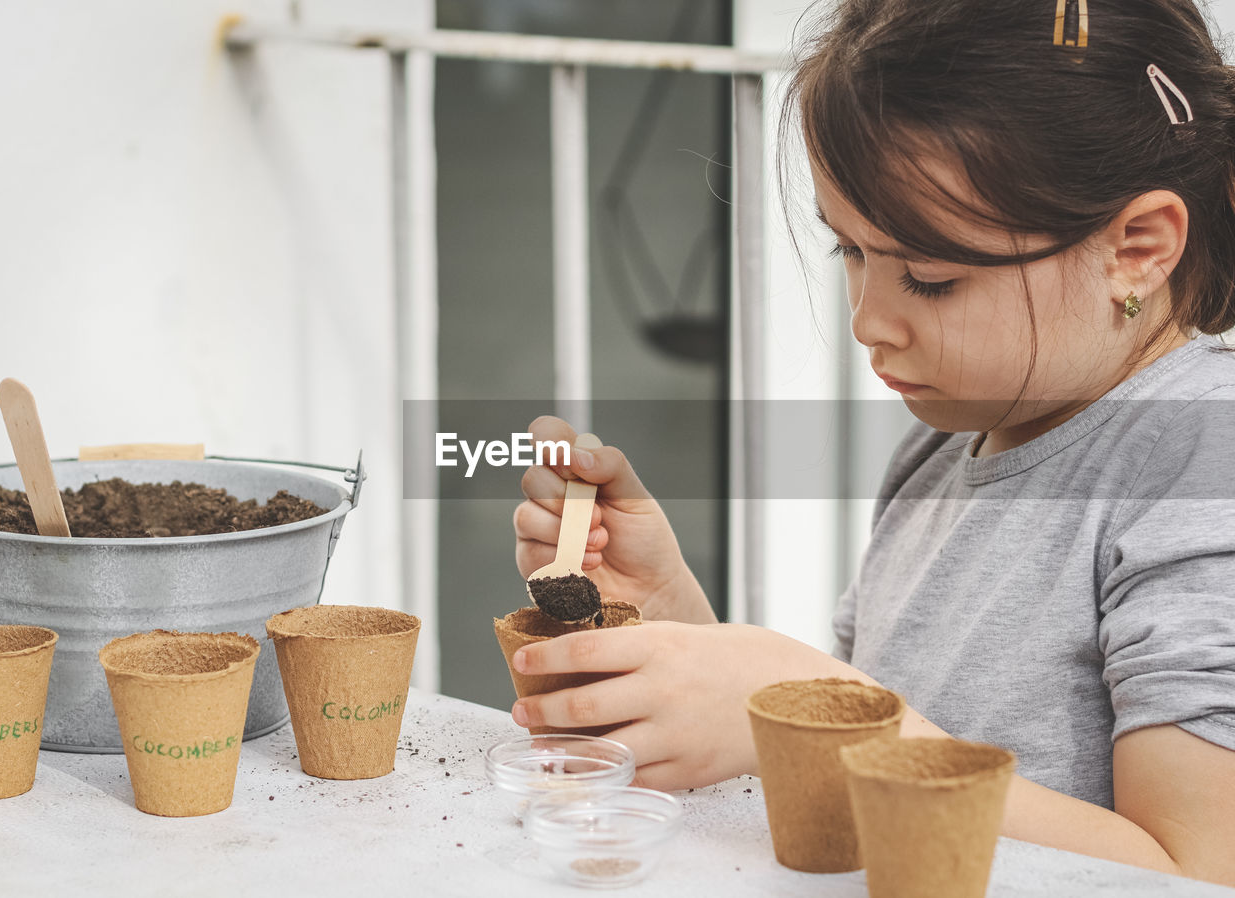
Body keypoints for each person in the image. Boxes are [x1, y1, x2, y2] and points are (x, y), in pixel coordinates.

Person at [511, 0, 1235, 886]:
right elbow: (871, 767)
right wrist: (674, 624)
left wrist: (808, 708)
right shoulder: (942, 452)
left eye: (929, 279)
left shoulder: (1202, 464)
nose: (869, 322)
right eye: (848, 253)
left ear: (1138, 247)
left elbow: (1198, 869)